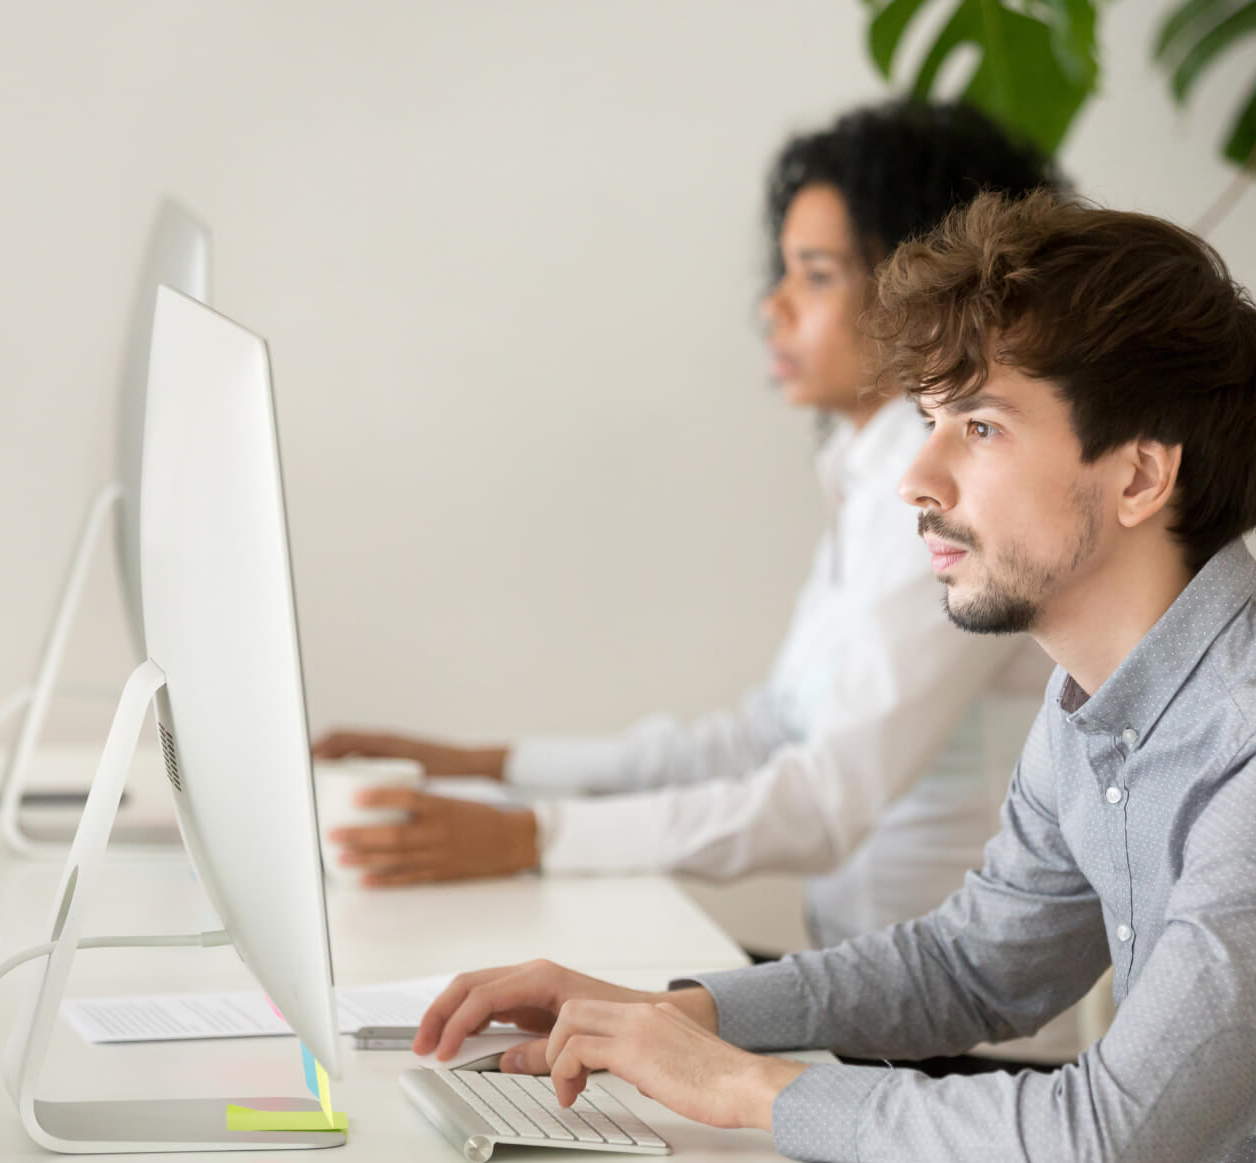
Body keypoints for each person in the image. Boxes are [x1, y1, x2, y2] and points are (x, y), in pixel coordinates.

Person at [408, 192, 1256, 1163]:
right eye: (930, 420)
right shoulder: (1094, 699)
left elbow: (1108, 1151)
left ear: (1141, 475)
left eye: (981, 428)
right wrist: (674, 1011)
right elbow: (974, 969)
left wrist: (745, 1088)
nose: (919, 478)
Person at [316, 102, 1062, 958]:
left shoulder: (940, 494)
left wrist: (528, 835)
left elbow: (823, 804)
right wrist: (487, 768)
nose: (772, 307)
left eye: (816, 275)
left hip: (946, 1009)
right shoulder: (867, 472)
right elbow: (766, 734)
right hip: (861, 974)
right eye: (783, 272)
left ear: (925, 292)